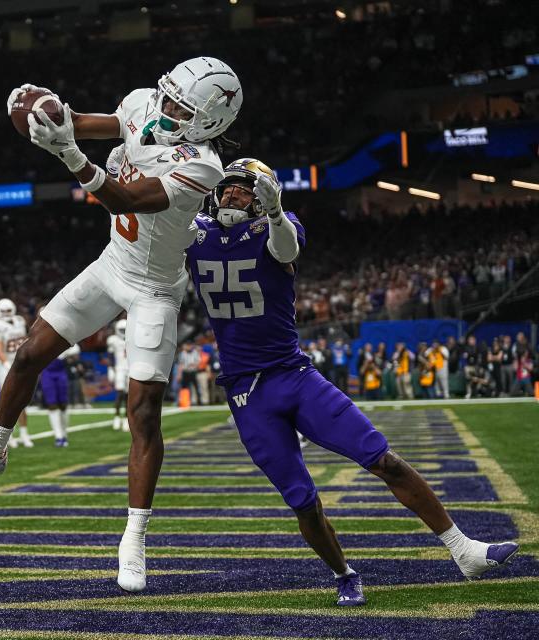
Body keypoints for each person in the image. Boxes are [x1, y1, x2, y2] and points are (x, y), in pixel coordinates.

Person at [0, 57, 243, 595]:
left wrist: (72, 157)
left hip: (155, 287)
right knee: (30, 351)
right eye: (168, 95)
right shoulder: (140, 103)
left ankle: (135, 536)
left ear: (211, 122)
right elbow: (83, 121)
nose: (167, 108)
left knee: (143, 413)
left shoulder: (203, 165)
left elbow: (128, 198)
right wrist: (48, 113)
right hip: (111, 264)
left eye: (182, 106)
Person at [185, 156, 518, 606]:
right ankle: (343, 573)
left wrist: (277, 211)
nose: (231, 194)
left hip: (293, 375)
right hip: (247, 393)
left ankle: (465, 551)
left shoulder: (278, 226)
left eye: (243, 188)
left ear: (263, 197)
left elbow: (286, 251)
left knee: (384, 459)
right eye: (226, 187)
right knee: (302, 501)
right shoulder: (194, 234)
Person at [0, 298, 33, 448]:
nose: (6, 314)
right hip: (3, 365)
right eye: (3, 311)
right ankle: (8, 437)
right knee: (8, 400)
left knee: (22, 400)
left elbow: (26, 340)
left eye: (8, 311)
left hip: (20, 363)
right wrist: (7, 364)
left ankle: (25, 434)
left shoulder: (20, 320)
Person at [40, 342, 81, 447]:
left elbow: (76, 352)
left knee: (63, 404)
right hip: (47, 372)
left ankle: (64, 433)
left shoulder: (63, 338)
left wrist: (68, 355)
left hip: (61, 371)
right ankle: (58, 436)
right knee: (52, 404)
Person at [106, 319, 129, 431]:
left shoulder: (132, 338)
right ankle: (116, 417)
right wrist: (110, 369)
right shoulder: (113, 340)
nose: (123, 332)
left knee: (128, 396)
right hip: (119, 369)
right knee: (120, 393)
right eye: (121, 330)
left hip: (130, 369)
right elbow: (110, 355)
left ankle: (126, 418)